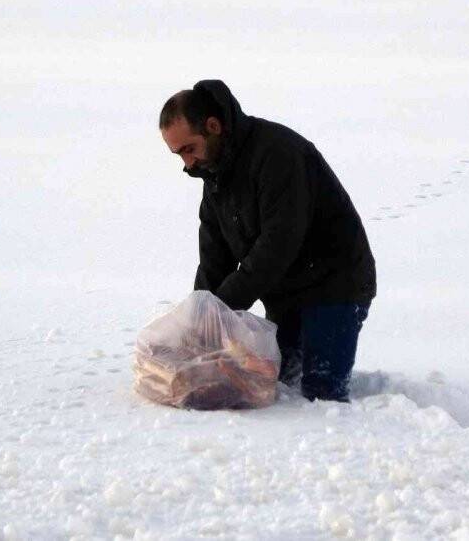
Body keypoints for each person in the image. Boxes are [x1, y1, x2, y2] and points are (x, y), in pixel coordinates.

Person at [158, 79, 377, 402]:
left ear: (213, 126)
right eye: (178, 154)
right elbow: (214, 259)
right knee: (274, 386)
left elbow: (277, 246)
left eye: (189, 149)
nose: (187, 163)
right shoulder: (215, 176)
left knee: (319, 396)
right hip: (286, 297)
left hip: (335, 288)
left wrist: (221, 313)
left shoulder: (277, 154)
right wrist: (200, 321)